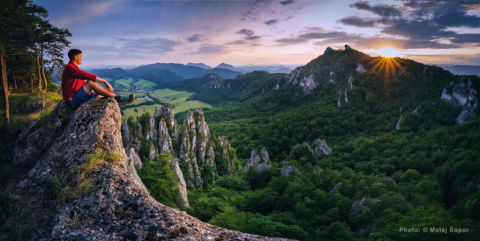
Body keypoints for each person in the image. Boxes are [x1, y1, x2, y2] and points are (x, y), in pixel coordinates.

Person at [62, 49, 134, 109]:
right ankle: (117, 98)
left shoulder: (73, 68)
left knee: (96, 90)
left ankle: (105, 95)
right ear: (75, 57)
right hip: (72, 101)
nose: (81, 58)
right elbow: (87, 75)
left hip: (76, 96)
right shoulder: (70, 68)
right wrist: (105, 81)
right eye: (80, 56)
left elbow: (81, 84)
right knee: (90, 82)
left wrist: (94, 92)